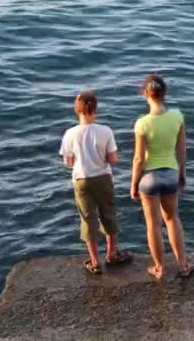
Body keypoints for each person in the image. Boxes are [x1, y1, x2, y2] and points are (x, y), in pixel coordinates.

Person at [60, 90, 133, 274]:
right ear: (95, 110)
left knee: (88, 218)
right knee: (108, 214)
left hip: (81, 179)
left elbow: (68, 162)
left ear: (77, 111)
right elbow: (113, 159)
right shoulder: (105, 131)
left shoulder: (70, 134)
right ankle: (111, 254)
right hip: (103, 178)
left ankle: (94, 262)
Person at [130, 74, 194, 279]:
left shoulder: (142, 123)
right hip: (171, 175)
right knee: (172, 219)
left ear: (145, 95)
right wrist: (182, 174)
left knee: (153, 224)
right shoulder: (177, 116)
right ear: (164, 93)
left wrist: (133, 184)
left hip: (149, 179)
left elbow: (139, 159)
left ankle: (159, 268)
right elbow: (182, 150)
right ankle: (183, 266)